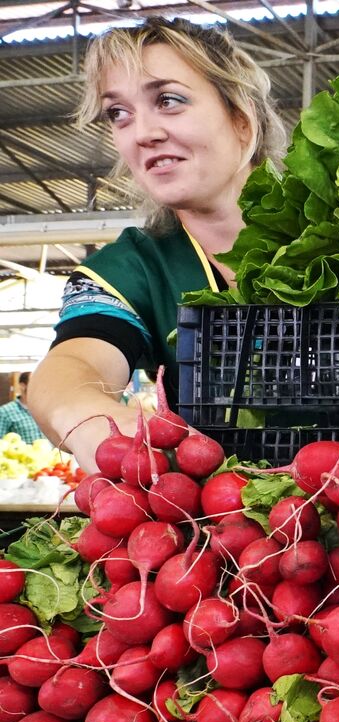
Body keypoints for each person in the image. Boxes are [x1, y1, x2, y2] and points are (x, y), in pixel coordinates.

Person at [28, 17, 285, 471]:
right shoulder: (132, 268)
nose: (141, 132)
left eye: (168, 100)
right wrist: (88, 419)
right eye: (118, 113)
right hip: (224, 526)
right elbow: (74, 364)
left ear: (241, 118)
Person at [0, 374, 45, 445]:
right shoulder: (5, 412)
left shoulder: (45, 411)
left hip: (51, 455)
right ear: (23, 386)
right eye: (35, 383)